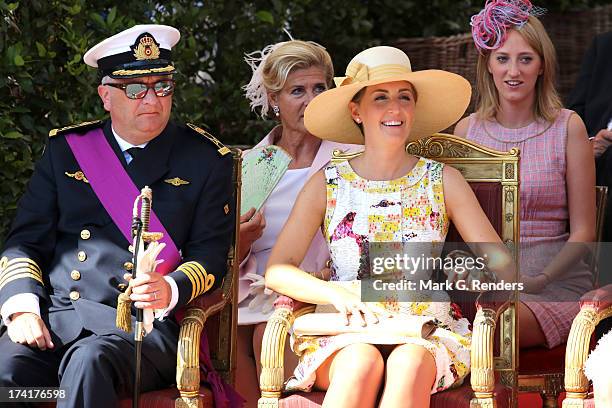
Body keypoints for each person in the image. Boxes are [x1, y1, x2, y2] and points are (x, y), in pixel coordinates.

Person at [0, 25, 236, 407]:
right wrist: (23, 309)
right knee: (7, 378)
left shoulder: (205, 159)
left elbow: (210, 255)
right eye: (135, 88)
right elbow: (24, 242)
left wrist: (170, 287)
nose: (152, 99)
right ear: (106, 95)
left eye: (162, 86)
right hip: (57, 318)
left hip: (142, 328)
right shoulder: (67, 151)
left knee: (87, 363)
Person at [265, 45, 514, 407]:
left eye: (404, 97)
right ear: (356, 110)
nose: (394, 109)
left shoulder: (442, 179)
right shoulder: (327, 182)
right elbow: (278, 270)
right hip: (349, 328)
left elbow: (501, 264)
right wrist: (336, 293)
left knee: (408, 364)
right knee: (360, 363)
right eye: (380, 98)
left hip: (423, 329)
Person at [454, 0, 596, 348]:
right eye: (502, 58)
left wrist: (539, 278)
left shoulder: (568, 127)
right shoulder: (466, 131)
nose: (513, 71)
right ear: (487, 64)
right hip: (483, 281)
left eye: (525, 59)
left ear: (542, 66)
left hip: (553, 283)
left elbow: (584, 231)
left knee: (497, 330)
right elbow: (454, 229)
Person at [236, 40, 360, 406]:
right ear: (274, 100)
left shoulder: (349, 157)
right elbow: (230, 252)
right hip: (251, 290)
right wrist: (243, 240)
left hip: (317, 289)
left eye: (319, 88)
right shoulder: (251, 164)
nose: (311, 99)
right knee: (215, 335)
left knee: (266, 333)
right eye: (297, 91)